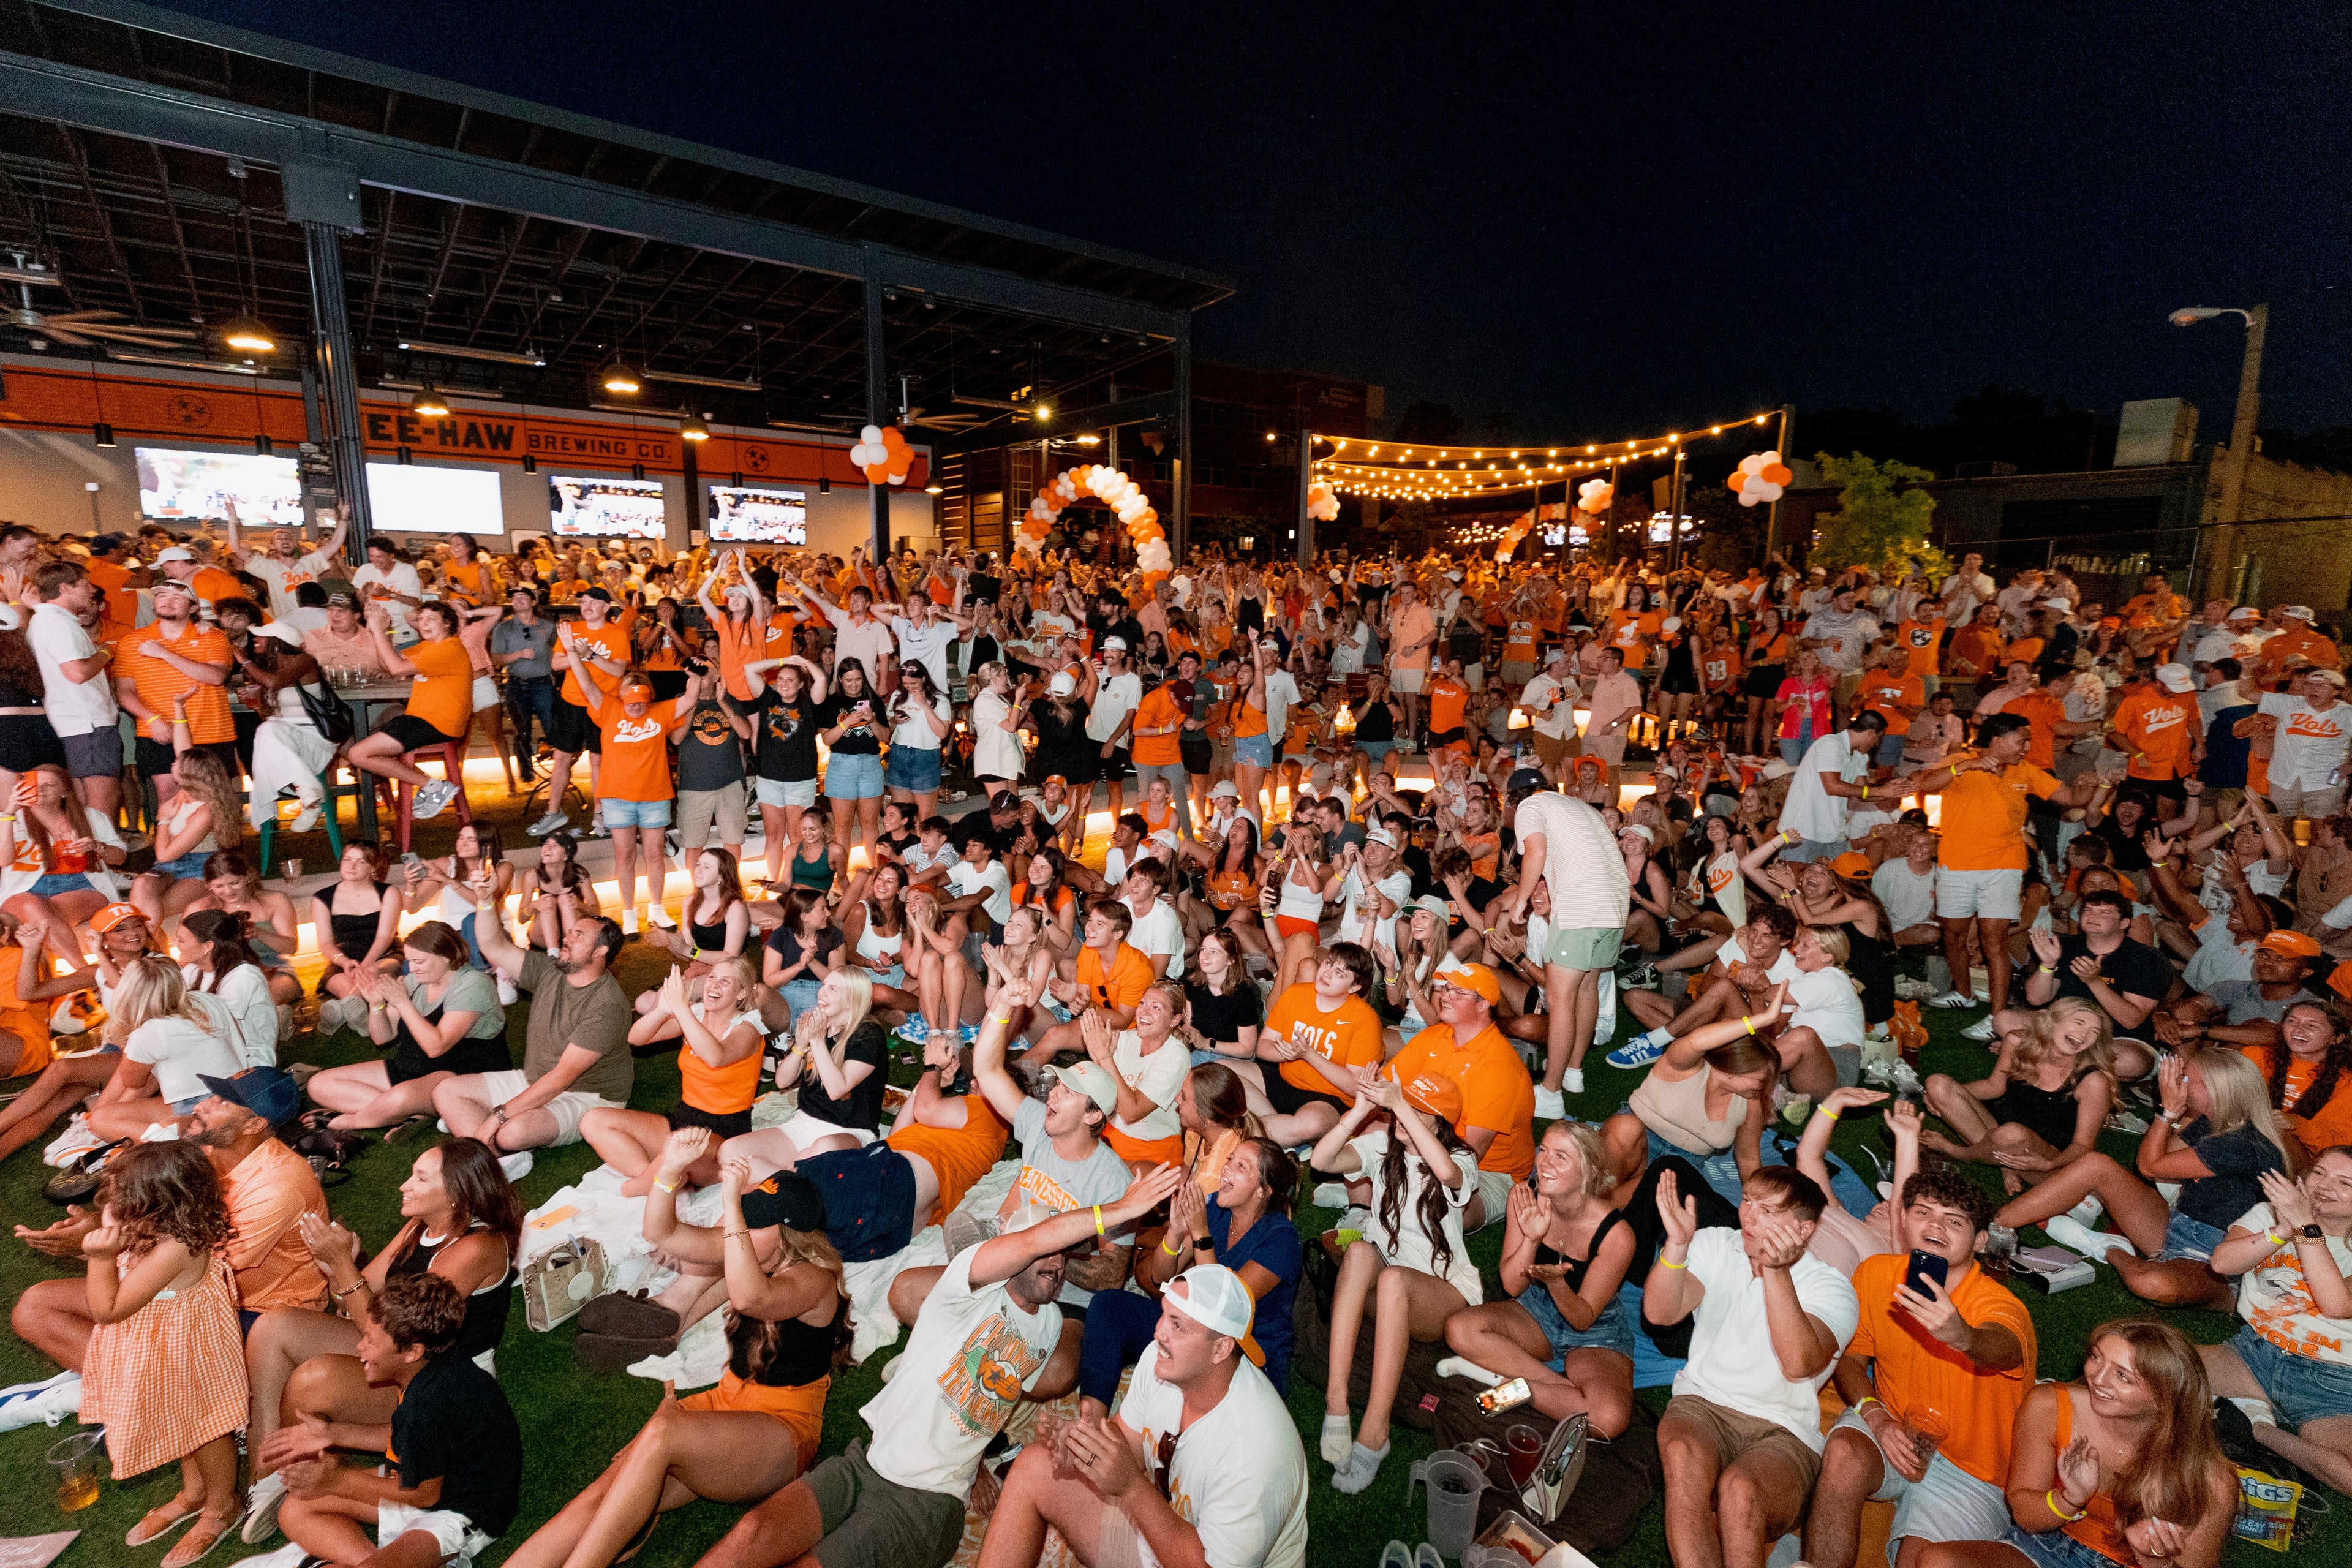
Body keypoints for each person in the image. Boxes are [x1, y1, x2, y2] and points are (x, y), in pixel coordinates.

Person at [693, 1166, 1183, 1568]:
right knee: (754, 1532)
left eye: (1062, 1255)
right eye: (1043, 1252)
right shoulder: (964, 1284)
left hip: (927, 1504)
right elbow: (1036, 1240)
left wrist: (984, 1458)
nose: (1055, 1262)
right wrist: (1118, 1211)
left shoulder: (1051, 1326)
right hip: (865, 1464)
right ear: (1013, 1253)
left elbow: (994, 1396)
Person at [503, 1149, 850, 1568]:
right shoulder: (754, 1252)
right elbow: (662, 1232)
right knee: (604, 1491)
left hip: (783, 1434)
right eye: (746, 1216)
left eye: (755, 1221)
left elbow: (750, 1297)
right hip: (724, 1407)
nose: (737, 1227)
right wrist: (667, 1174)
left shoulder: (815, 1280)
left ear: (789, 1236)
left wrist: (731, 1210)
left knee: (663, 1431)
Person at [982, 1263, 1308, 1568]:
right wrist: (1085, 1449)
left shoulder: (1254, 1454)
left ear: (1221, 1349)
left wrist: (1132, 1489)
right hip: (1156, 1524)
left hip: (1198, 1557)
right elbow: (1127, 1439)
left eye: (1178, 1325)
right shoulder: (1163, 1362)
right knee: (1032, 1468)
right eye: (1164, 1315)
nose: (1158, 1333)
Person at [11, 1071, 325, 1376]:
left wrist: (96, 1248)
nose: (201, 1105)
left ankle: (157, 1395)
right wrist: (99, 1227)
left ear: (254, 1124)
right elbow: (167, 1220)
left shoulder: (277, 1189)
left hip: (249, 1310)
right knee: (35, 1307)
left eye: (224, 1103)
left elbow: (191, 1265)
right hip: (191, 1286)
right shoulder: (209, 1147)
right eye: (215, 1095)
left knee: (88, 1311)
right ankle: (141, 1385)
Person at [1804, 1166, 2037, 1568]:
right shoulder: (1876, 1274)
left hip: (1974, 1467)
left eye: (1954, 1221)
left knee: (1923, 1561)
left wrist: (1962, 1335)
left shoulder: (1997, 1303)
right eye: (1923, 1213)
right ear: (1904, 1219)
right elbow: (1852, 1362)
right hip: (1894, 1426)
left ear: (1981, 1241)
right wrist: (1877, 1419)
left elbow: (2005, 1349)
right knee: (1843, 1453)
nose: (1935, 1226)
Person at [1649, 1163, 1861, 1568]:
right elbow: (1661, 1313)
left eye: (1768, 1212)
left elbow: (1799, 1364)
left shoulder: (1831, 1288)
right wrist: (1677, 1246)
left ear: (1804, 1230)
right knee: (1681, 1453)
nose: (1748, 1215)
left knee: (1740, 1490)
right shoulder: (1715, 1243)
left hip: (1783, 1431)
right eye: (1748, 1201)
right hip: (1702, 1405)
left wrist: (1776, 1272)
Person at [1917, 1321, 2234, 1568]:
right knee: (1938, 1561)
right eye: (2097, 1358)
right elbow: (2026, 1516)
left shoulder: (2212, 1480)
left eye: (2123, 1376)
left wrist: (2154, 1560)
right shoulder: (2050, 1406)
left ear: (2165, 1398)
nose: (2098, 1378)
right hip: (2048, 1546)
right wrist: (2070, 1499)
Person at [259, 1272, 524, 1568]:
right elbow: (404, 1437)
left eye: (371, 1340)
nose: (360, 1346)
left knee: (323, 1498)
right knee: (295, 1508)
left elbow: (424, 1495)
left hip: (462, 1509)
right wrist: (331, 1434)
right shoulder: (433, 1367)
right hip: (424, 1478)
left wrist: (339, 1479)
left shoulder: (426, 1406)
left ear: (412, 1352)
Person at [1993, 1050, 2291, 1310]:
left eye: (2186, 1079)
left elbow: (2149, 1167)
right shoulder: (2215, 1122)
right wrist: (2179, 1116)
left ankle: (2110, 1249)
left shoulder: (2243, 1142)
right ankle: (1997, 1227)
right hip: (2179, 1225)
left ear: (2216, 1090)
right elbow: (2160, 1160)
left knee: (2151, 1284)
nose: (2177, 1085)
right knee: (2098, 1165)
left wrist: (2169, 1111)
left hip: (2217, 1259)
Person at [75, 1140, 249, 1568]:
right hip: (160, 1340)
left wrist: (99, 1257)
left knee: (204, 1425)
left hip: (185, 1342)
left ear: (159, 1203)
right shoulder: (158, 1223)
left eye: (122, 1197)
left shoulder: (177, 1246)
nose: (113, 1204)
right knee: (178, 1417)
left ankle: (221, 1505)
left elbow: (108, 1308)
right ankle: (193, 1494)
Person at [1310, 1068, 1481, 1492]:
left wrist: (1400, 1103)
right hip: (1389, 1282)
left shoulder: (1462, 1159)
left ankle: (1376, 1428)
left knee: (1393, 1282)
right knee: (1361, 1251)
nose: (1401, 1116)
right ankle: (1337, 1403)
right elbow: (1320, 1161)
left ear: (1439, 1122)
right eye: (1402, 1107)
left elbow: (1446, 1175)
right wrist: (1361, 1110)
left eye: (1418, 1111)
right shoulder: (1382, 1145)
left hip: (1441, 1294)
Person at [1437, 1120, 1637, 1436]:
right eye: (1543, 1150)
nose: (1544, 1162)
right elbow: (1513, 1286)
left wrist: (1556, 1283)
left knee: (1607, 1420)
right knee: (1459, 1328)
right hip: (1536, 1310)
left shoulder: (1617, 1235)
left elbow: (1583, 1318)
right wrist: (1531, 1239)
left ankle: (1509, 1389)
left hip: (1596, 1330)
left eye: (1561, 1156)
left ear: (1589, 1172)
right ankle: (1562, 1393)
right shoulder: (1525, 1198)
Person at [436, 869, 632, 1181]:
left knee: (511, 1132)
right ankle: (499, 1163)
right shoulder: (551, 970)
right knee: (446, 1091)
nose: (567, 937)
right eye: (571, 932)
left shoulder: (607, 1005)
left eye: (579, 935)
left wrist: (497, 1117)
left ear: (600, 952)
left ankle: (491, 1144)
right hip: (534, 1079)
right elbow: (493, 947)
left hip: (586, 1095)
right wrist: (485, 901)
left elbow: (561, 1079)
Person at [1907, 712, 2101, 1020]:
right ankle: (1964, 993)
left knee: (1994, 938)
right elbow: (1924, 786)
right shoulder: (1959, 760)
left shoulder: (2028, 771)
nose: (2026, 747)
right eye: (2021, 740)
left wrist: (2089, 786)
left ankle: (1998, 1016)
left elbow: (2073, 799)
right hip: (1956, 863)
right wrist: (1964, 766)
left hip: (2004, 865)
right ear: (1997, 740)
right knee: (1954, 936)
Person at [2195, 1148, 2352, 1495]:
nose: (2325, 1186)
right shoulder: (2268, 1214)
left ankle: (2262, 1431)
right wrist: (2282, 1229)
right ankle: (2251, 1404)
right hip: (2255, 1354)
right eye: (2320, 1173)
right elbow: (2223, 1264)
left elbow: (2338, 1304)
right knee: (2145, 1365)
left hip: (2331, 1382)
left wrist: (2304, 1227)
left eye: (2345, 1183)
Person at [302, 920, 508, 1135]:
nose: (412, 968)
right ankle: (412, 1114)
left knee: (400, 1098)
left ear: (446, 958)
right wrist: (377, 1005)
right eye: (409, 961)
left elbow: (437, 1047)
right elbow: (383, 1038)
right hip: (413, 1068)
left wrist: (403, 1003)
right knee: (319, 1084)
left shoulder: (474, 985)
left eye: (419, 962)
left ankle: (344, 1122)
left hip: (458, 1076)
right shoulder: (416, 980)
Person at [1504, 768, 1631, 1110]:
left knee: (1561, 1000)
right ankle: (1573, 1072)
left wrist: (1520, 902)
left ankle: (1551, 1092)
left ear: (1513, 799)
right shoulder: (1580, 806)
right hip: (1616, 905)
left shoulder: (1531, 807)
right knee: (1588, 988)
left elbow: (1535, 853)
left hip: (1581, 904)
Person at [1383, 963, 1536, 1229]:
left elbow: (1470, 1152)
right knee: (1366, 1124)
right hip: (1428, 1136)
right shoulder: (1435, 1036)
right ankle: (1367, 1202)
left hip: (1490, 1171)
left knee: (1433, 1209)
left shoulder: (1498, 1066)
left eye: (1458, 992)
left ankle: (1384, 1191)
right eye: (1447, 989)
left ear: (1482, 1005)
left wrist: (1411, 1153)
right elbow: (1383, 1087)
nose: (1445, 995)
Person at [1923, 998, 2117, 1196]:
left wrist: (2049, 1165)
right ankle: (2004, 1165)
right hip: (1996, 1132)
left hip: (2044, 1160)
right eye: (2079, 1023)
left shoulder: (2093, 1081)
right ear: (2054, 1020)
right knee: (1937, 1084)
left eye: (2094, 1033)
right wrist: (1936, 1097)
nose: (2084, 1035)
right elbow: (1994, 1087)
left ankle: (1960, 1153)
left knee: (2012, 1133)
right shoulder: (2018, 1042)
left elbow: (2083, 1145)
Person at [342, 599, 474, 822]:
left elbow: (396, 668)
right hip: (421, 719)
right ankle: (432, 786)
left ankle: (434, 787)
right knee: (355, 748)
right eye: (421, 619)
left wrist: (376, 629)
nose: (423, 624)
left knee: (358, 753)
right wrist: (379, 632)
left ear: (448, 625)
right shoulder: (430, 646)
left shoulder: (449, 648)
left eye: (431, 619)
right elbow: (386, 664)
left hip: (437, 723)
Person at [112, 574, 234, 809]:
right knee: (167, 794)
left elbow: (216, 676)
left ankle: (219, 846)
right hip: (158, 729)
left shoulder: (212, 636)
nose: (167, 601)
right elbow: (124, 692)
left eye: (178, 597)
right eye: (161, 595)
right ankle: (170, 847)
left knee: (213, 798)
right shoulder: (132, 641)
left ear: (193, 607)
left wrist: (164, 653)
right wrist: (152, 719)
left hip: (210, 731)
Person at [28, 559, 122, 823]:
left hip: (76, 722)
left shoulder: (48, 620)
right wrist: (105, 652)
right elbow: (77, 673)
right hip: (87, 722)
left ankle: (92, 861)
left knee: (84, 805)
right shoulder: (57, 623)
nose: (92, 590)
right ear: (65, 588)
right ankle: (104, 862)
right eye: (85, 583)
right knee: (102, 803)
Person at [311, 840, 405, 1032]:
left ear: (372, 867)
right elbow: (326, 943)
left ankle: (338, 1016)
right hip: (344, 960)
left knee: (370, 975)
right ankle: (360, 1018)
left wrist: (366, 965)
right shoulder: (322, 898)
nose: (351, 866)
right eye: (347, 860)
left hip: (385, 956)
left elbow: (384, 937)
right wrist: (344, 962)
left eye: (361, 861)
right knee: (346, 986)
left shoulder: (389, 893)